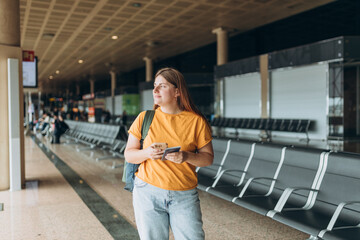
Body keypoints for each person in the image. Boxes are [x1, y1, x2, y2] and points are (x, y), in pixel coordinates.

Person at [124, 68, 214, 240]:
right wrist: (147, 153)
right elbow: (129, 154)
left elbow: (208, 158)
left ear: (177, 92)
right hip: (147, 192)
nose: (155, 90)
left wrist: (186, 156)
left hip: (184, 194)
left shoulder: (196, 121)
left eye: (162, 86)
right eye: (155, 86)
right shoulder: (145, 118)